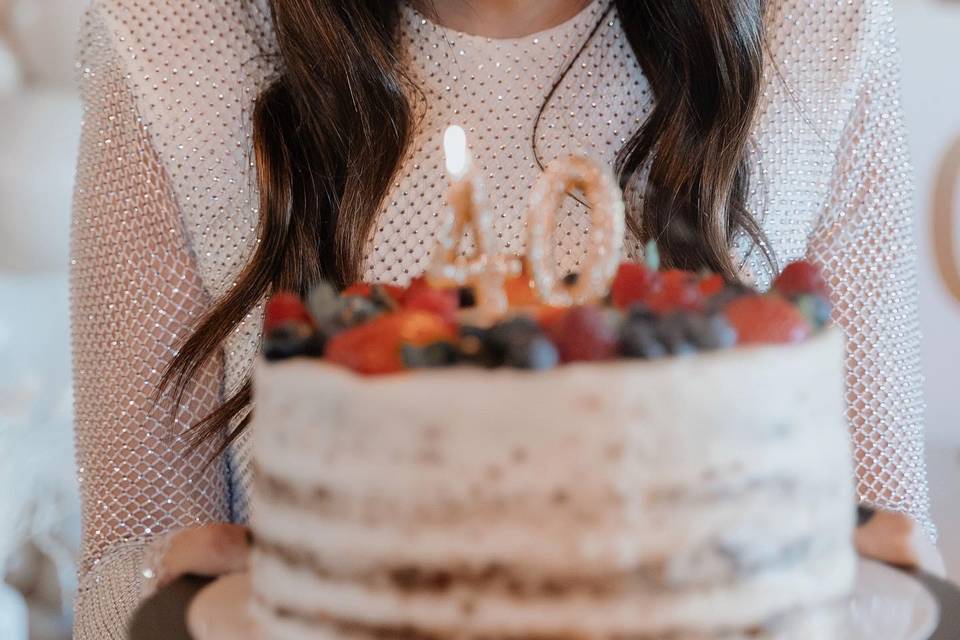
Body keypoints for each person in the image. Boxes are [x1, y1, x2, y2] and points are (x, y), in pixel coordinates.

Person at [69, 0, 933, 637]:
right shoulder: (179, 35)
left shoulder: (817, 25)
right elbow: (123, 578)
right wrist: (171, 587)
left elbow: (887, 547)